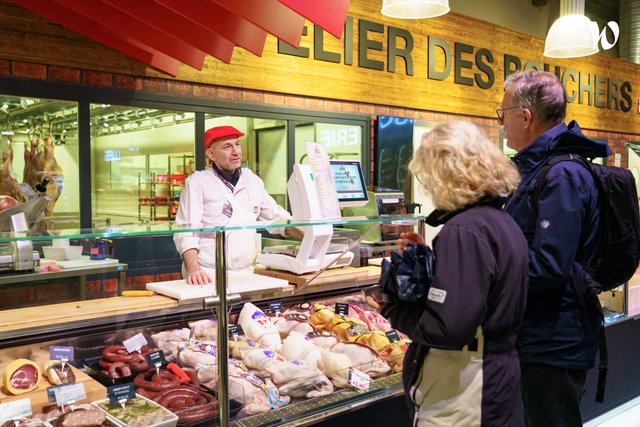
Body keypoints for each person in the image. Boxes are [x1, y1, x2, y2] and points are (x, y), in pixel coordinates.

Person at [367, 121, 529, 426]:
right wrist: (433, 260)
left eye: (429, 176)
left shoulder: (464, 231)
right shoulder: (499, 220)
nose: (429, 187)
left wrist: (392, 309)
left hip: (466, 383)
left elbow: (448, 328)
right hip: (497, 375)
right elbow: (483, 288)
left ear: (446, 173)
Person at [500, 70, 611, 427]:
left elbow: (549, 265)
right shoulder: (542, 169)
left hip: (554, 339)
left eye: (503, 115)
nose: (502, 124)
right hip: (543, 333)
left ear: (526, 117)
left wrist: (490, 276)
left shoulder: (560, 175)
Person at [173, 125, 291, 284]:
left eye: (237, 144)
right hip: (208, 274)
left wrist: (310, 233)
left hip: (248, 271)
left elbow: (276, 217)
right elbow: (187, 230)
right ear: (211, 154)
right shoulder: (197, 182)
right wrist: (194, 269)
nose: (236, 151)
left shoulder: (252, 180)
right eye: (227, 147)